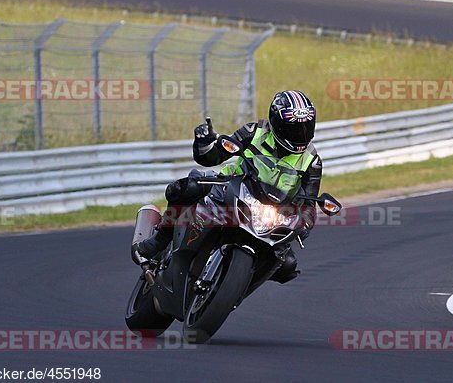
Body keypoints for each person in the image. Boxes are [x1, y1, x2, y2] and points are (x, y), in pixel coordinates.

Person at [133, 90, 323, 283]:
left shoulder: (311, 161)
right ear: (277, 123)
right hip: (229, 187)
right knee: (185, 188)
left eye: (306, 127)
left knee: (287, 265)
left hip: (270, 216)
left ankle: (238, 288)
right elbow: (213, 157)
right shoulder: (254, 132)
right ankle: (159, 240)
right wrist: (204, 144)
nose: (301, 134)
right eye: (293, 129)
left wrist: (303, 224)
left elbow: (309, 203)